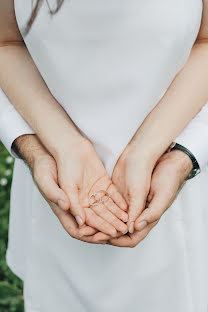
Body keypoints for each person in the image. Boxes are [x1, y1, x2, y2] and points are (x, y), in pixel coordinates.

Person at [0, 0, 208, 311]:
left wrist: (178, 155)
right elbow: (5, 42)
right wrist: (49, 147)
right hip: (59, 191)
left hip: (177, 202)